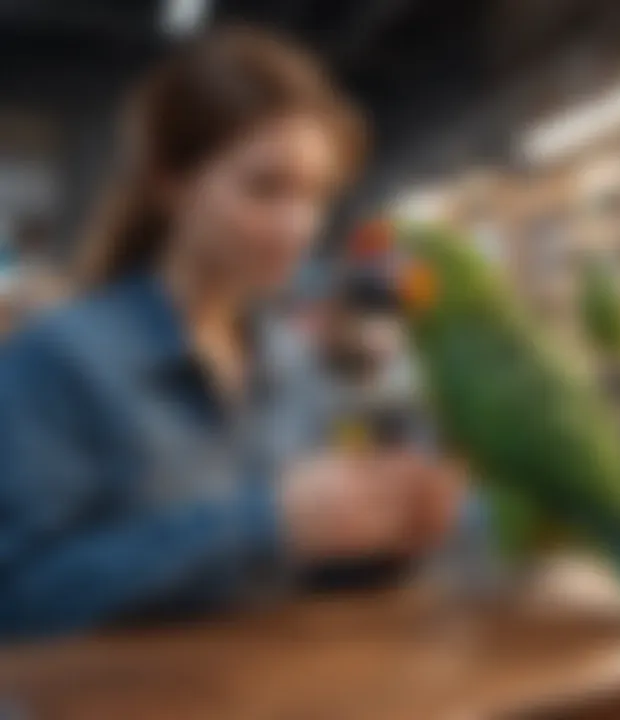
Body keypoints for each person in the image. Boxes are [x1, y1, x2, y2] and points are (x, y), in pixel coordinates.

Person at [0, 27, 464, 639]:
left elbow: (292, 580)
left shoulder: (293, 363)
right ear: (172, 184)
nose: (298, 226)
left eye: (314, 195)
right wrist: (268, 525)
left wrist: (381, 535)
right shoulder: (56, 361)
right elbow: (23, 598)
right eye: (265, 188)